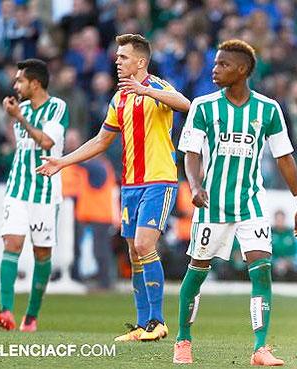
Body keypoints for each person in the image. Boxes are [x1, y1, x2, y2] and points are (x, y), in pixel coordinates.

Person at [37, 34, 190, 341]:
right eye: (117, 57)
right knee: (134, 251)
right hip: (130, 184)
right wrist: (63, 162)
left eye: (123, 57)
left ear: (141, 62)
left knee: (146, 245)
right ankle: (144, 324)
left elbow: (186, 105)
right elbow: (101, 140)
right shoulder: (119, 98)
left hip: (159, 180)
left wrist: (146, 90)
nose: (117, 61)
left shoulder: (157, 87)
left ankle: (158, 321)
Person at [173, 39, 297, 366]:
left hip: (251, 204)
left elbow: (284, 157)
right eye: (215, 64)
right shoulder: (204, 106)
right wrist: (195, 185)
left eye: (222, 65)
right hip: (212, 205)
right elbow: (191, 153)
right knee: (198, 270)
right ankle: (183, 339)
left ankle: (260, 348)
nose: (215, 69)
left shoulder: (268, 109)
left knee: (261, 272)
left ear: (242, 69)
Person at [0, 58, 69, 332]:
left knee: (42, 253)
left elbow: (46, 142)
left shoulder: (58, 108)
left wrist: (20, 119)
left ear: (35, 83)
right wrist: (19, 116)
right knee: (11, 243)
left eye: (19, 80)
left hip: (46, 193)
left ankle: (32, 315)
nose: (15, 85)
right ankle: (5, 311)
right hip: (17, 189)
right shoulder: (20, 109)